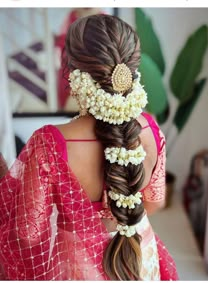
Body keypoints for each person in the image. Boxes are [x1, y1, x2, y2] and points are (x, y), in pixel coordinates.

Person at [0, 15, 178, 280]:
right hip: (141, 258)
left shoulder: (50, 142)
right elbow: (154, 203)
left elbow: (27, 233)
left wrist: (5, 179)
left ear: (72, 73)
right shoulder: (151, 129)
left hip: (80, 267)